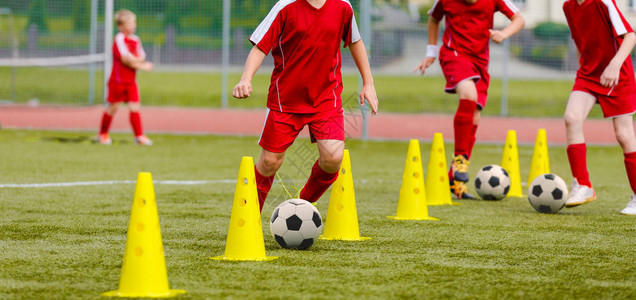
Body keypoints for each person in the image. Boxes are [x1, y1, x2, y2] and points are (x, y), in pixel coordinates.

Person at [233, 0, 379, 211]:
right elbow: (260, 47)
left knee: (333, 157)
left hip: (326, 99)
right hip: (286, 101)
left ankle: (302, 207)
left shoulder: (343, 6)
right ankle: (248, 219)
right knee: (270, 162)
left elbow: (355, 42)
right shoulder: (285, 6)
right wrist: (246, 78)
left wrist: (368, 83)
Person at [414, 0, 525, 199]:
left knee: (475, 118)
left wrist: (504, 33)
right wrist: (431, 52)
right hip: (453, 54)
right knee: (469, 95)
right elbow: (434, 19)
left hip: (480, 61)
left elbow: (519, 19)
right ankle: (460, 162)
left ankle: (455, 180)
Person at [562, 0, 636, 215]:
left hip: (617, 76)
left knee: (624, 135)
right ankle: (583, 185)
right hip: (588, 74)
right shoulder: (568, 7)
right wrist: (582, 69)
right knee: (571, 118)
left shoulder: (603, 2)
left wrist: (614, 65)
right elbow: (579, 42)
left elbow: (630, 36)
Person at [97, 9, 154, 146]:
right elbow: (125, 59)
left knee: (135, 107)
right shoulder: (119, 39)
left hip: (131, 82)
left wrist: (136, 61)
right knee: (113, 108)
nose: (133, 25)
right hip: (117, 82)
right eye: (130, 23)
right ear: (121, 26)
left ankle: (139, 136)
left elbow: (141, 56)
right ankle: (103, 134)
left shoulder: (136, 40)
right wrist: (142, 66)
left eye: (134, 23)